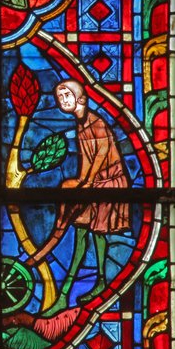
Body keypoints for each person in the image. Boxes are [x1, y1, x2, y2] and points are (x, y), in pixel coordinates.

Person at [43, 79, 130, 315]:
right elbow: (85, 159)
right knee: (81, 232)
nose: (62, 100)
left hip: (108, 183)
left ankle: (99, 281)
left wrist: (89, 182)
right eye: (60, 97)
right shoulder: (81, 124)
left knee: (97, 232)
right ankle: (65, 294)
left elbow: (102, 153)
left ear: (80, 98)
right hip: (94, 183)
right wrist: (81, 182)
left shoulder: (96, 122)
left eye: (67, 95)